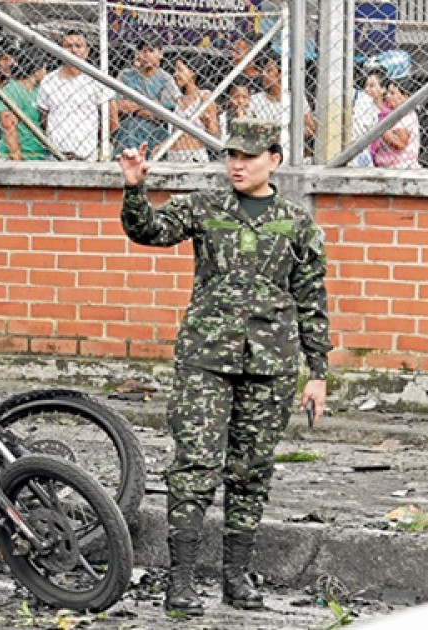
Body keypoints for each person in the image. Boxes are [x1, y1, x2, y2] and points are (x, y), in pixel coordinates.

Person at [116, 118, 330, 616]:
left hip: (272, 363)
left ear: (274, 159)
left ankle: (236, 576)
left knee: (251, 470)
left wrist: (317, 372)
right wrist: (134, 188)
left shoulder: (297, 222)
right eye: (231, 155)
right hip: (206, 361)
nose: (237, 164)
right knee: (194, 466)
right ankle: (183, 581)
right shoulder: (204, 205)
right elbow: (148, 231)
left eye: (249, 156)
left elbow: (312, 299)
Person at [37, 30, 118, 160]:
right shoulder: (48, 81)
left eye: (78, 46)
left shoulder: (98, 81)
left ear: (87, 51)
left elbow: (112, 121)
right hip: (55, 155)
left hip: (87, 155)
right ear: (60, 50)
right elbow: (43, 118)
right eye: (68, 46)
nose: (73, 50)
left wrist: (98, 144)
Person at [114, 35, 180, 157]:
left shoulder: (166, 79)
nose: (146, 55)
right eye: (143, 51)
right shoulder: (126, 76)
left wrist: (134, 106)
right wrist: (148, 106)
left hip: (155, 135)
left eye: (151, 51)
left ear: (160, 54)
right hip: (127, 134)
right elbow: (117, 105)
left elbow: (167, 112)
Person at [247, 52, 316, 163]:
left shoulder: (295, 98)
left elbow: (310, 127)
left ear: (280, 74)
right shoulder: (256, 100)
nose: (264, 74)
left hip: (291, 152)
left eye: (269, 71)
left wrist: (291, 131)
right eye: (263, 71)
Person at [0, 49, 47, 161]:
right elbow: (9, 127)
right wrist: (17, 159)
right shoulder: (12, 89)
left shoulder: (37, 91)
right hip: (16, 155)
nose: (45, 72)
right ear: (36, 69)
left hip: (37, 154)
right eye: (44, 68)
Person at [167, 58, 220, 163]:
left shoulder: (204, 97)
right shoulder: (178, 100)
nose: (176, 74)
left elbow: (216, 136)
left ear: (192, 72)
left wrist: (208, 124)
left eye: (180, 70)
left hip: (194, 154)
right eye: (175, 70)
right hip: (173, 155)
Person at [370, 77, 421, 169]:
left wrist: (380, 131)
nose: (387, 96)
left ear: (405, 97)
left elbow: (400, 143)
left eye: (392, 93)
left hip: (401, 168)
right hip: (386, 168)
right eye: (388, 92)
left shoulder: (407, 116)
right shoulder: (394, 115)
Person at [219, 81, 252, 146]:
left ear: (249, 100)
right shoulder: (222, 117)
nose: (240, 101)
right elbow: (225, 141)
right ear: (228, 100)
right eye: (236, 97)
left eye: (244, 97)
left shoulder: (254, 116)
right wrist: (240, 119)